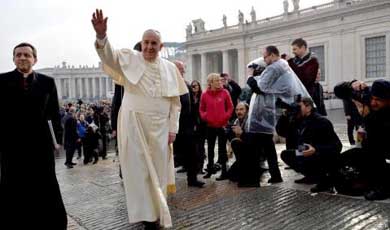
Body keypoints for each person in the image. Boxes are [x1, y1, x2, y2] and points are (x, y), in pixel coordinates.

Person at [92, 9, 187, 228]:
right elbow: (109, 56)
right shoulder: (129, 58)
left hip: (162, 127)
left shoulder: (171, 68)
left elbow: (175, 102)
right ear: (141, 43)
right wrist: (101, 36)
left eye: (154, 43)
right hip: (134, 124)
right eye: (146, 42)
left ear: (161, 47)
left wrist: (173, 128)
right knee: (138, 172)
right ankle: (147, 217)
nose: (149, 47)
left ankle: (158, 211)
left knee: (159, 169)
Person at [0, 42, 67, 229]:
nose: (22, 58)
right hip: (11, 146)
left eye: (26, 55)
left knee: (45, 187)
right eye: (18, 54)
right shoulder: (1, 81)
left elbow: (54, 114)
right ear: (13, 58)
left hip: (41, 145)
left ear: (34, 59)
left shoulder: (47, 82)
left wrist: (58, 141)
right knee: (12, 187)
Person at [246, 45, 311, 184]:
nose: (264, 59)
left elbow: (259, 88)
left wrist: (250, 77)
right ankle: (281, 174)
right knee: (275, 145)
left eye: (265, 57)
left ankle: (256, 177)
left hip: (267, 117)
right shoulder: (282, 65)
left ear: (272, 55)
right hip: (285, 112)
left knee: (294, 143)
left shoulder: (274, 68)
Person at [334, 79, 390, 200]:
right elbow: (339, 91)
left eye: (378, 100)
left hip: (384, 146)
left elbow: (379, 134)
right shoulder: (367, 97)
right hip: (373, 145)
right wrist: (352, 83)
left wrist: (366, 115)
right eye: (373, 98)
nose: (373, 103)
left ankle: (384, 187)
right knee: (344, 159)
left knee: (374, 148)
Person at [278, 97, 342, 193]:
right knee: (286, 154)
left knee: (314, 156)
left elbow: (337, 146)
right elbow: (282, 132)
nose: (297, 109)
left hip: (318, 153)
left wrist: (315, 149)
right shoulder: (298, 121)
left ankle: (323, 178)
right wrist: (284, 115)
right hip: (306, 151)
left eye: (300, 106)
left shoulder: (321, 121)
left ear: (308, 107)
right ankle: (310, 175)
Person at [173, 61, 205, 188]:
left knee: (192, 152)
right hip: (174, 125)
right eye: (180, 69)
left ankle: (192, 179)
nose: (183, 71)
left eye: (183, 69)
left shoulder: (186, 84)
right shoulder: (169, 84)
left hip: (188, 126)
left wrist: (195, 122)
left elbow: (193, 105)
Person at [200, 73, 234, 180]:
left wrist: (225, 117)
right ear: (211, 83)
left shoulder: (225, 92)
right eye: (217, 81)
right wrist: (206, 117)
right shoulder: (205, 94)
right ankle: (210, 170)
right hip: (210, 126)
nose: (220, 82)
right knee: (210, 149)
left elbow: (230, 107)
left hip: (222, 125)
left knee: (222, 149)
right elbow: (201, 109)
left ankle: (224, 171)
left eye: (220, 80)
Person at [288, 38, 320, 107]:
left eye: (295, 49)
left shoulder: (312, 61)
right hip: (298, 94)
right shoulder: (294, 61)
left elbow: (305, 79)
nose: (293, 52)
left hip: (309, 95)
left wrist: (290, 62)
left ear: (302, 48)